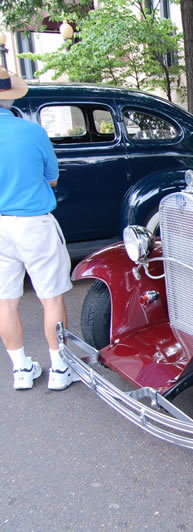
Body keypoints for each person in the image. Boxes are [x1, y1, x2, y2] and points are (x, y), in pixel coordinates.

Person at [0, 67, 78, 391]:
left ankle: (21, 369)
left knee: (6, 301)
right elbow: (53, 179)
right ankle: (59, 369)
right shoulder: (31, 132)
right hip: (34, 222)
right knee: (51, 297)